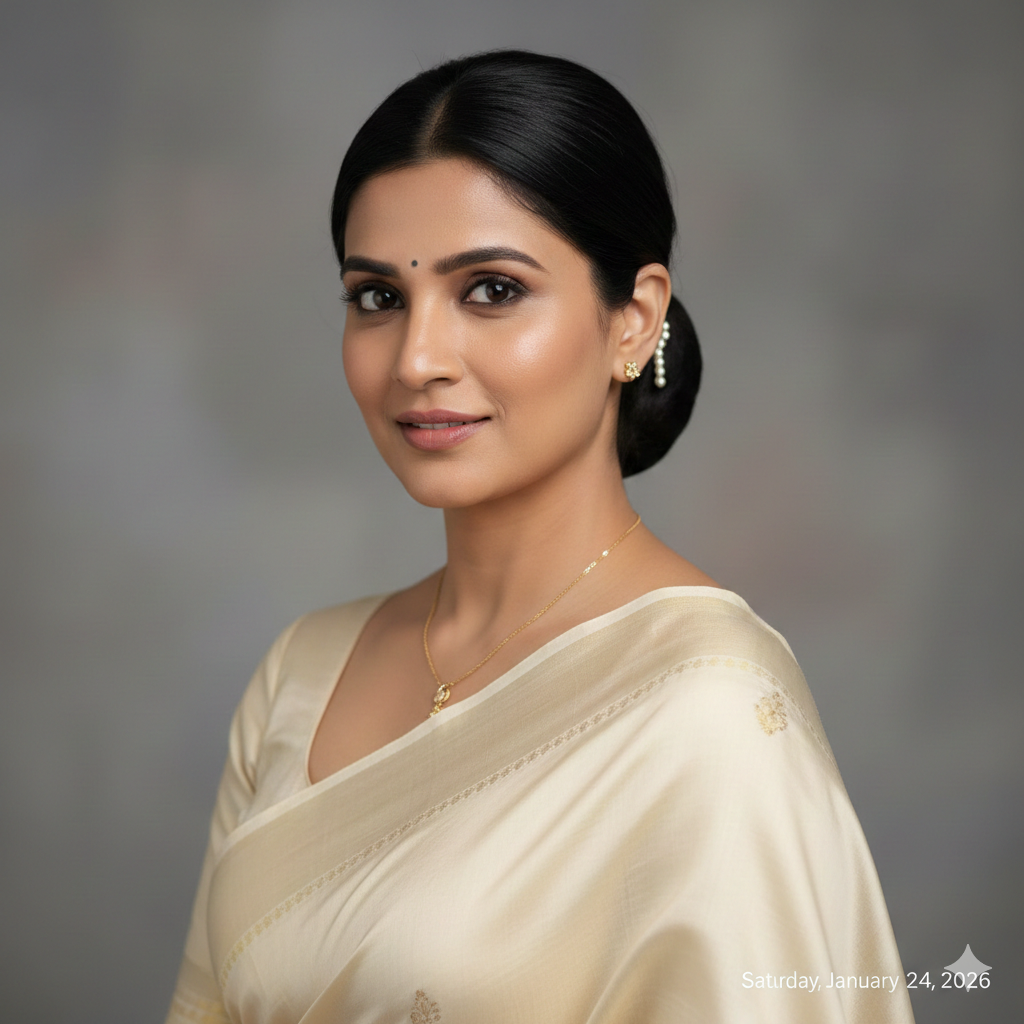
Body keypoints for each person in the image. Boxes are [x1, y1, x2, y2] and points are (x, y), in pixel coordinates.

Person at [165, 50, 914, 1024]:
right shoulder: (300, 675)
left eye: (491, 291)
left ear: (632, 321)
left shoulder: (708, 710)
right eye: (378, 297)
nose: (419, 358)